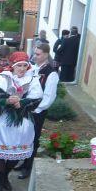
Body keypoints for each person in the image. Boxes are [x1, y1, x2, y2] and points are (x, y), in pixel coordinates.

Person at [0, 52, 43, 191]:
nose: (22, 69)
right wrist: (6, 101)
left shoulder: (32, 79)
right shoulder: (2, 77)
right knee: (0, 155)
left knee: (15, 154)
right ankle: (0, 182)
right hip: (1, 121)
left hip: (21, 123)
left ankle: (5, 177)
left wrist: (22, 102)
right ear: (12, 66)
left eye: (24, 66)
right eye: (19, 65)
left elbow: (37, 98)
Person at [18, 43, 60, 179]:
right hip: (26, 108)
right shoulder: (33, 68)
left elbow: (49, 96)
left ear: (46, 55)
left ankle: (28, 167)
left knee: (33, 138)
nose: (34, 56)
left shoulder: (51, 73)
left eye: (38, 54)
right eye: (34, 53)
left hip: (37, 111)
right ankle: (23, 162)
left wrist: (37, 109)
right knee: (25, 135)